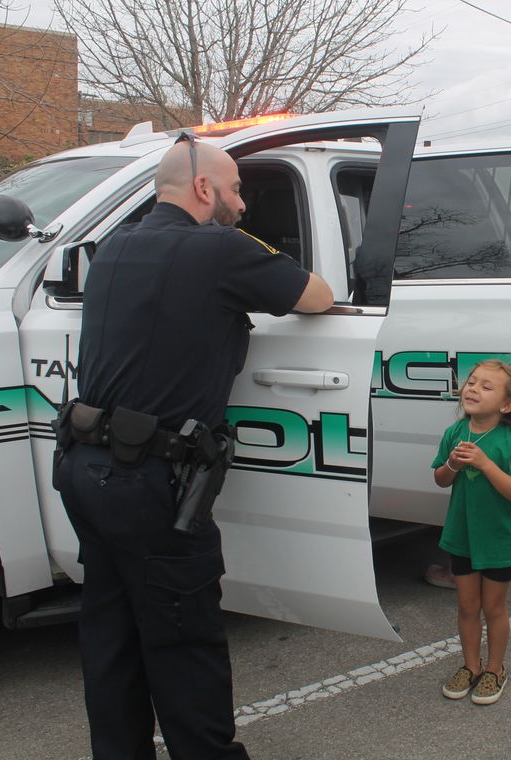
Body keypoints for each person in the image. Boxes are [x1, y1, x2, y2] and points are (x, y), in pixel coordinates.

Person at [55, 134, 333, 760]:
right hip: (153, 486)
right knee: (185, 651)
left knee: (111, 643)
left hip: (84, 469)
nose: (240, 201)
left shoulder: (114, 248)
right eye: (235, 188)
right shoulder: (219, 248)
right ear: (203, 189)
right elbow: (316, 295)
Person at [433, 359, 511, 706]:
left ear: (507, 405)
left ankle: (495, 669)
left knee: (493, 608)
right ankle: (471, 666)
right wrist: (452, 463)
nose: (474, 389)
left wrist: (485, 463)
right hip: (462, 536)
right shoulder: (454, 432)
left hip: (498, 540)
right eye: (472, 382)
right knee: (466, 607)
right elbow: (440, 479)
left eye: (485, 386)